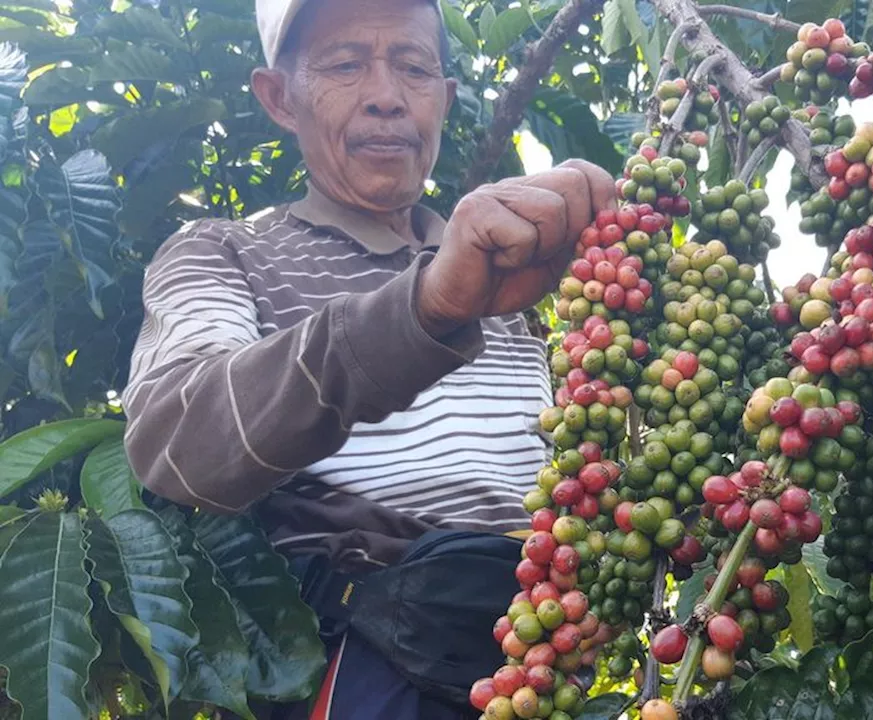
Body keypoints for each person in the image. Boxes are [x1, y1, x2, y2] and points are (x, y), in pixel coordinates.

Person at [120, 0, 614, 717]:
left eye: (413, 67)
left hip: (535, 660)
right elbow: (180, 442)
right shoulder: (224, 252)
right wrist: (424, 308)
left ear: (444, 99)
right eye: (346, 64)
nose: (386, 95)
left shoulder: (514, 274)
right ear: (279, 97)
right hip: (365, 663)